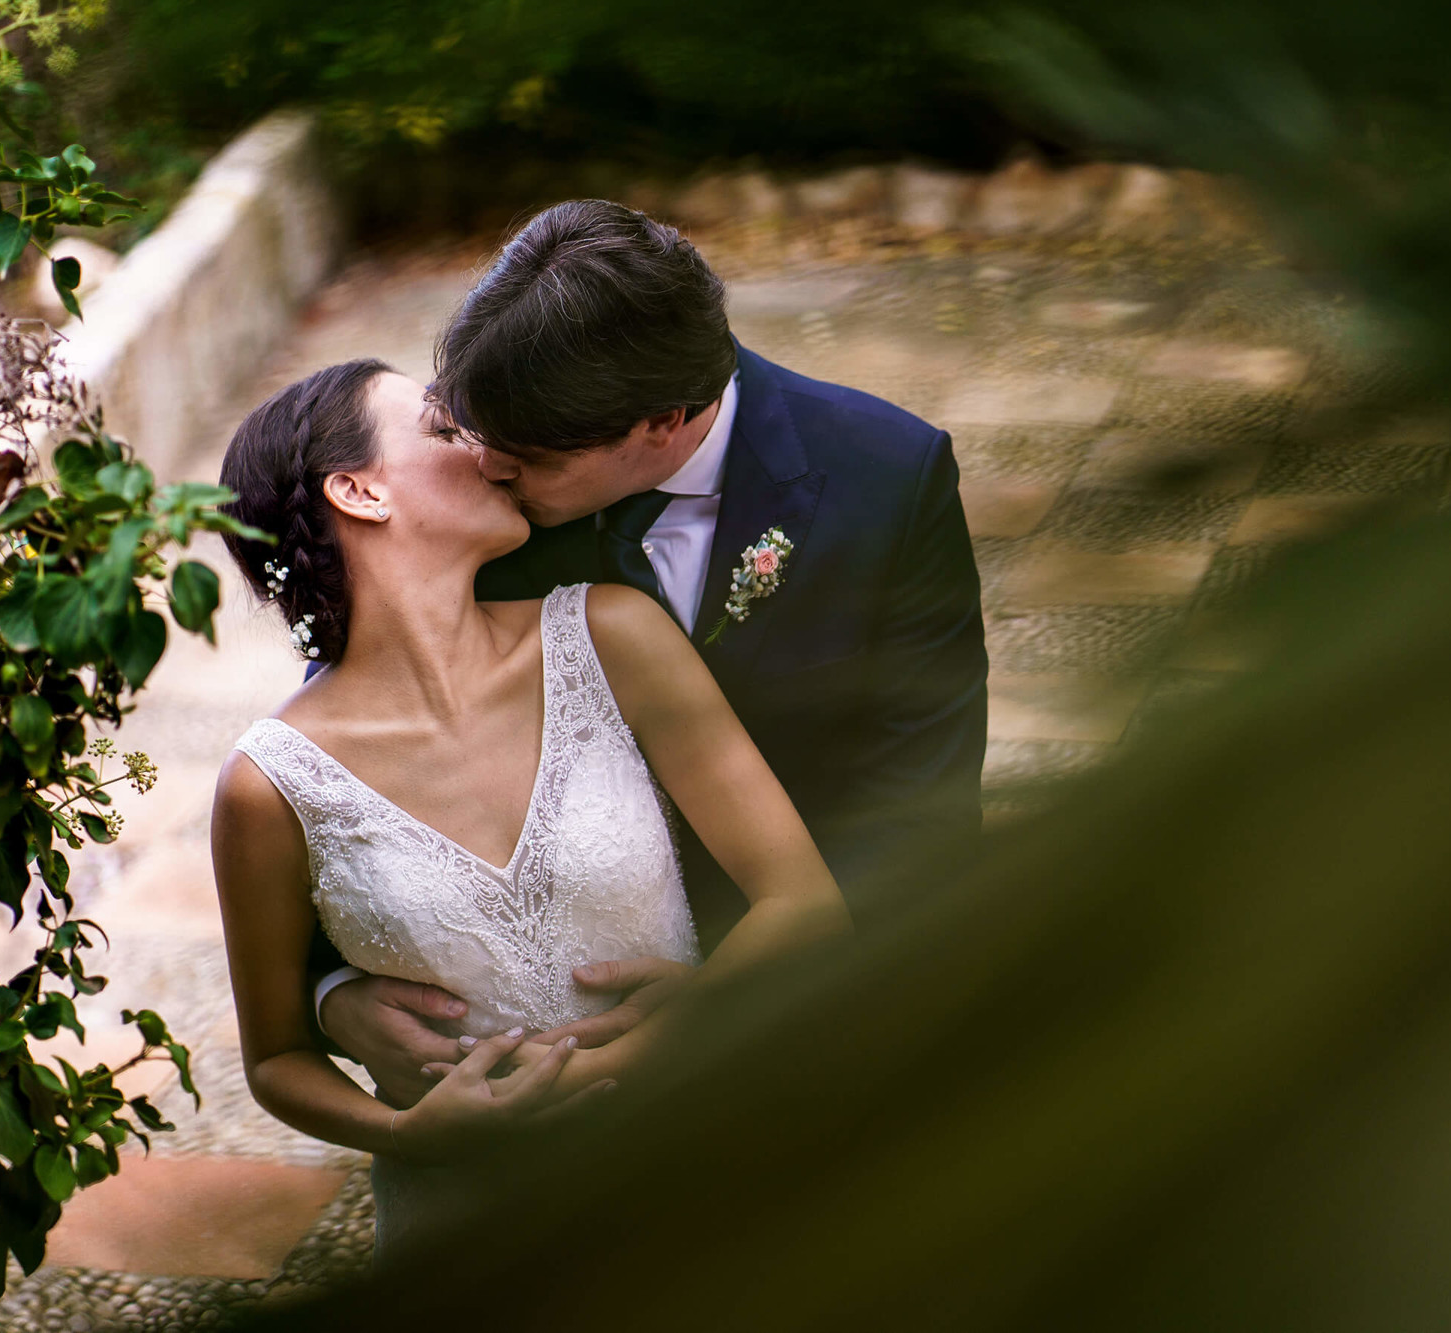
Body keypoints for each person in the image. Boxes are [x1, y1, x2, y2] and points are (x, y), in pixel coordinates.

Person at [314, 199, 989, 1105]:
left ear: (664, 422)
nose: (488, 469)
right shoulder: (479, 496)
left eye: (527, 459)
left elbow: (921, 812)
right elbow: (343, 762)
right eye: (474, 435)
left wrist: (736, 992)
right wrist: (334, 994)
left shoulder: (887, 478)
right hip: (537, 1040)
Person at [209, 359, 851, 1254]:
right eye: (440, 429)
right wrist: (406, 1134)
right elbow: (276, 1057)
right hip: (471, 1221)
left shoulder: (612, 633)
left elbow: (804, 899)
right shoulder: (268, 783)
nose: (487, 449)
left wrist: (665, 1039)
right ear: (360, 491)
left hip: (701, 1142)